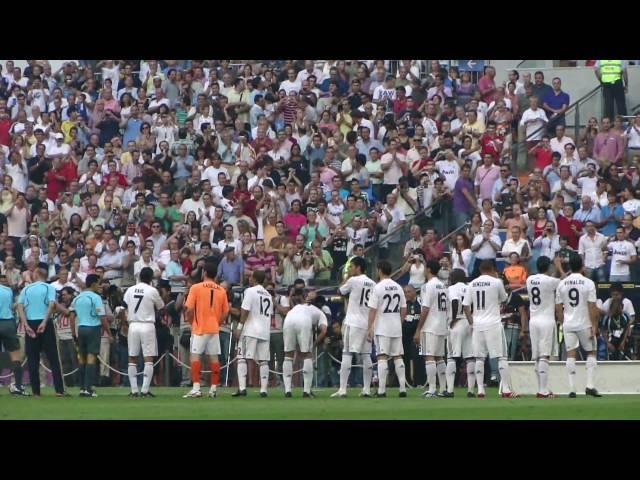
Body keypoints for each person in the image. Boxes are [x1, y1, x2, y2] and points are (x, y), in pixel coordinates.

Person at [462, 260, 519, 398]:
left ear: (481, 270)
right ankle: (505, 389)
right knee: (501, 357)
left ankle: (481, 390)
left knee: (479, 359)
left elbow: (465, 306)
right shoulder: (497, 282)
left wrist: (472, 323)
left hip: (478, 324)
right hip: (493, 323)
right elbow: (504, 299)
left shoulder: (472, 284)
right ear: (493, 269)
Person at [555, 253, 601, 398]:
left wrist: (563, 322)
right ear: (582, 266)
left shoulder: (562, 283)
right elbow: (592, 306)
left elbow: (557, 307)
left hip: (568, 323)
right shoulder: (588, 283)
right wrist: (594, 325)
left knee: (570, 354)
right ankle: (590, 385)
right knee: (591, 352)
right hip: (584, 323)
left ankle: (572, 389)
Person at [16, 265, 66, 396]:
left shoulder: (27, 289)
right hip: (45, 322)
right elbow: (51, 304)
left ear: (36, 273)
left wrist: (25, 324)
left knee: (32, 358)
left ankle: (36, 391)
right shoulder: (49, 288)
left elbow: (19, 306)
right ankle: (59, 390)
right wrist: (44, 321)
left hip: (30, 322)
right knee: (53, 357)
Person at [182, 260, 229, 398]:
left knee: (195, 356)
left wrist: (192, 322)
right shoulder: (221, 290)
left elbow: (189, 308)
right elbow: (226, 312)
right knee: (214, 358)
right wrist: (217, 322)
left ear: (205, 273)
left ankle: (196, 388)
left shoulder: (196, 288)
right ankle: (213, 389)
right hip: (214, 328)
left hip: (200, 328)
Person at [332, 256, 376, 398]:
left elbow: (340, 291)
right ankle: (367, 389)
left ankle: (343, 389)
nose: (350, 269)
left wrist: (346, 277)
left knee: (347, 353)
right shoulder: (373, 283)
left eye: (351, 266)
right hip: (366, 323)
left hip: (353, 322)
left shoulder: (353, 280)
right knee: (365, 355)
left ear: (358, 267)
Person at [367, 260, 407, 398]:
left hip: (382, 326)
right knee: (397, 356)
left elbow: (372, 310)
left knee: (382, 356)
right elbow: (404, 308)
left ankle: (382, 390)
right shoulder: (398, 287)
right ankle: (402, 389)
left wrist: (369, 328)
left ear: (379, 270)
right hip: (396, 326)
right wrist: (399, 322)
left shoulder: (378, 288)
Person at [123, 267, 165, 397]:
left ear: (140, 276)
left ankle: (134, 390)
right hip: (147, 325)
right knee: (148, 358)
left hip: (133, 324)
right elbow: (161, 307)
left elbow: (124, 306)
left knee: (132, 357)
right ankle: (145, 390)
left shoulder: (130, 290)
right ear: (151, 278)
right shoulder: (152, 290)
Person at [68, 273, 109, 397]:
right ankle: (88, 388)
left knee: (82, 358)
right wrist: (109, 333)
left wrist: (73, 333)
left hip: (81, 328)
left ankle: (81, 387)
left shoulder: (78, 297)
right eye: (99, 283)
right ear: (94, 283)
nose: (100, 285)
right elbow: (102, 317)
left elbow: (71, 316)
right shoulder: (96, 298)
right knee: (91, 358)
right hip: (93, 328)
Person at [282, 289, 328, 397]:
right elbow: (324, 330)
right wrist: (314, 344)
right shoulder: (320, 312)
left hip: (288, 319)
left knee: (288, 355)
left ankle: (287, 390)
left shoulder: (296, 307)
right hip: (304, 321)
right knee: (307, 355)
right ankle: (306, 391)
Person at [233, 270, 272, 397]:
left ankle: (242, 388)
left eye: (250, 276)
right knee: (264, 360)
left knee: (241, 357)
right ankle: (264, 390)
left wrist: (239, 327)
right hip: (265, 330)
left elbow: (245, 310)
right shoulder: (268, 294)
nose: (248, 279)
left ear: (254, 279)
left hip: (250, 329)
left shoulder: (249, 291)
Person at [526, 256, 561, 397]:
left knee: (537, 357)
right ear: (549, 267)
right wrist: (559, 266)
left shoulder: (529, 280)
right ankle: (543, 390)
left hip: (533, 321)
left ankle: (542, 388)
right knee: (544, 355)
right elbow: (564, 281)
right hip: (546, 320)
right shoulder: (551, 281)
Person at [414, 259, 450, 398]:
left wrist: (418, 329)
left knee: (429, 356)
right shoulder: (443, 286)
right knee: (439, 357)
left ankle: (432, 389)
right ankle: (443, 388)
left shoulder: (428, 286)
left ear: (428, 269)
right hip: (441, 325)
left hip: (430, 326)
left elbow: (425, 308)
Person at [445, 269, 475, 397]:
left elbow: (455, 302)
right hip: (469, 322)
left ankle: (450, 390)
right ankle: (470, 391)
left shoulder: (452, 288)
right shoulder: (469, 287)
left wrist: (454, 319)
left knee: (452, 356)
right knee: (470, 357)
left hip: (457, 323)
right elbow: (471, 305)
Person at [0, 274, 28, 395]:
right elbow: (11, 307)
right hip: (7, 323)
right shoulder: (8, 290)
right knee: (15, 356)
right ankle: (18, 386)